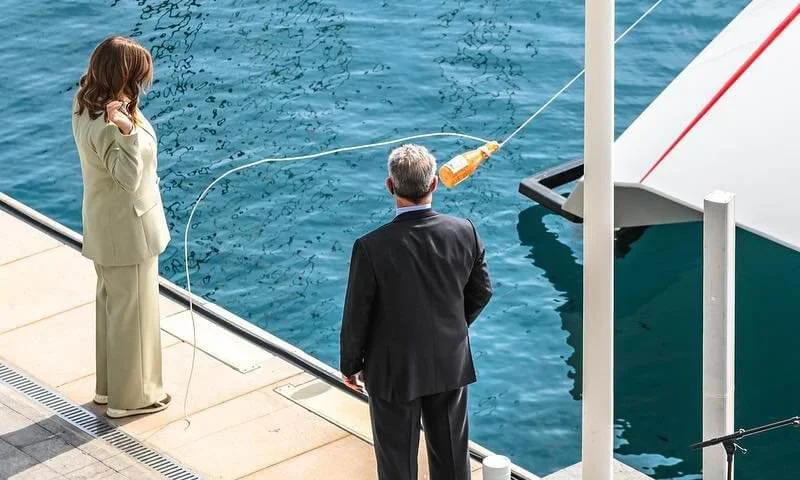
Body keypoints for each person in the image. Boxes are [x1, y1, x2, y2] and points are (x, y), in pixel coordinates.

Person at [340, 144, 493, 480]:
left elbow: (357, 315)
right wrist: (452, 328)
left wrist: (351, 365)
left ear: (390, 186)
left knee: (397, 463)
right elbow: (481, 291)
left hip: (392, 370)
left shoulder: (371, 247)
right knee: (453, 459)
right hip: (448, 361)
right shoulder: (464, 231)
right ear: (434, 184)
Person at [72, 36, 171, 418]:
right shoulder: (113, 124)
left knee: (113, 309)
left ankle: (108, 390)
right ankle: (131, 399)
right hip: (130, 230)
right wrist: (128, 133)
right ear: (123, 75)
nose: (142, 83)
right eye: (138, 76)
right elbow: (128, 179)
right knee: (134, 317)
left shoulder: (86, 103)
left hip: (105, 225)